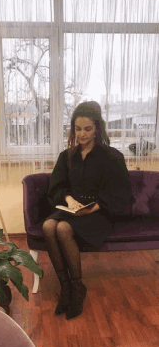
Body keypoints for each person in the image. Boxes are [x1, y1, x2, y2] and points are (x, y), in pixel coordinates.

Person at [42, 101, 131, 320]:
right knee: (48, 225)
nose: (82, 134)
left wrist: (93, 208)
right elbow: (57, 186)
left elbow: (120, 193)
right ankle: (65, 289)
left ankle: (77, 288)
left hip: (99, 211)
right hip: (73, 208)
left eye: (88, 129)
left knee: (62, 229)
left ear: (97, 129)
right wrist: (69, 199)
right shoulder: (67, 156)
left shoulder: (112, 157)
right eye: (78, 129)